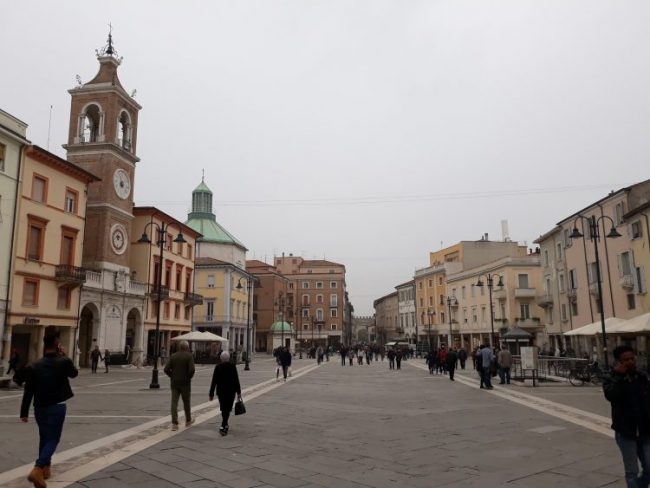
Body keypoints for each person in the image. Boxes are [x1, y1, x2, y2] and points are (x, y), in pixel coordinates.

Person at [20, 334, 78, 488]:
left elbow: (28, 391)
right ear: (58, 344)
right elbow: (74, 373)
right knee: (53, 439)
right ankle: (38, 468)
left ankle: (46, 469)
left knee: (44, 436)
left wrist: (23, 412)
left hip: (39, 407)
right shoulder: (64, 361)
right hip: (57, 406)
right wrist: (64, 355)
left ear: (44, 346)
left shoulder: (35, 365)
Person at [603, 345, 650, 488]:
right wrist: (620, 377)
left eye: (632, 358)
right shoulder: (610, 377)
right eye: (625, 360)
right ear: (618, 361)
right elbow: (611, 396)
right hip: (625, 432)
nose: (630, 362)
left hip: (645, 430)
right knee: (632, 471)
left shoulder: (641, 376)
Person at [163, 340, 195, 431]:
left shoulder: (173, 356)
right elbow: (192, 369)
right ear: (187, 347)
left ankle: (174, 423)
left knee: (174, 403)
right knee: (186, 402)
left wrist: (171, 376)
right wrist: (189, 377)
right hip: (185, 383)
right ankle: (188, 420)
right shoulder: (189, 356)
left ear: (179, 347)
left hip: (175, 382)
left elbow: (166, 369)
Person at [209, 351, 242, 436]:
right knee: (228, 408)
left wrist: (211, 393)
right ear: (229, 358)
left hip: (221, 392)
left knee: (223, 407)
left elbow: (214, 381)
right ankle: (225, 424)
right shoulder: (232, 366)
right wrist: (238, 392)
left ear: (221, 358)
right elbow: (236, 380)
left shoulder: (218, 367)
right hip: (231, 391)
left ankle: (224, 424)